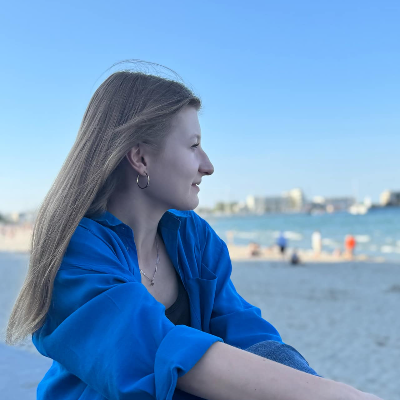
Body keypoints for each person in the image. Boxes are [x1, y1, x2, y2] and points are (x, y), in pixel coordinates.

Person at [6, 63, 383, 400]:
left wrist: (321, 387)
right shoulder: (77, 251)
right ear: (140, 157)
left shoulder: (194, 239)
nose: (208, 165)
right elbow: (152, 352)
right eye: (194, 146)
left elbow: (248, 333)